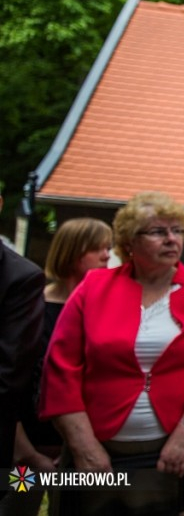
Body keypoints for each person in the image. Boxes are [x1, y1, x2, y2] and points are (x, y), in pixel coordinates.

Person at [39, 191, 184, 515]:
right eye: (158, 231)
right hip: (96, 450)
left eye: (178, 230)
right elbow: (61, 368)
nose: (172, 239)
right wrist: (83, 446)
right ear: (129, 241)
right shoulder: (94, 286)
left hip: (168, 455)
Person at [8, 218, 112, 516]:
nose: (107, 256)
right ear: (73, 252)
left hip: (83, 450)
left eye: (108, 248)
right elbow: (15, 381)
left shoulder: (104, 309)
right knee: (19, 506)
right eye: (98, 248)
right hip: (29, 448)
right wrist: (26, 452)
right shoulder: (33, 306)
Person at [0, 192, 45, 504]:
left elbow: (9, 374)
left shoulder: (20, 278)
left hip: (30, 436)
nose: (104, 255)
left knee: (25, 495)